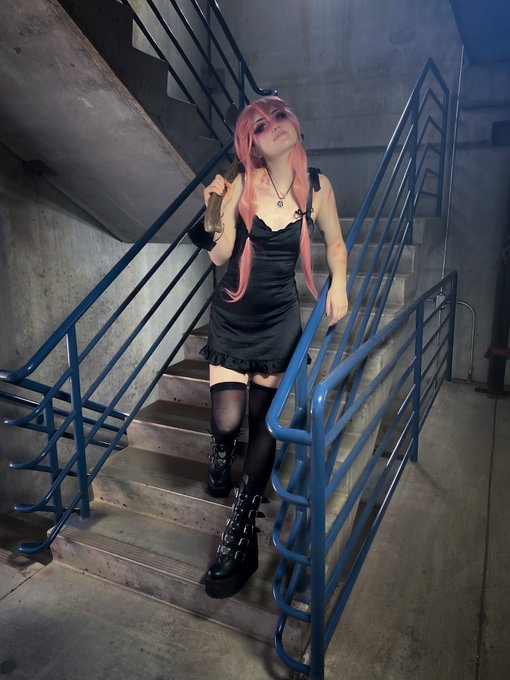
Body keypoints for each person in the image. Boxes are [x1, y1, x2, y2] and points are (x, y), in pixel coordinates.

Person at [190, 96, 348, 599]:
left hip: (279, 321)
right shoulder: (241, 181)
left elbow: (335, 242)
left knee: (264, 423)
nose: (274, 126)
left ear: (294, 123)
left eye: (279, 116)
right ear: (251, 142)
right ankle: (221, 450)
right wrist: (214, 210)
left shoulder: (317, 187)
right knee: (228, 421)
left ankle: (240, 529)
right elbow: (219, 254)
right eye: (260, 125)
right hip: (233, 316)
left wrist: (340, 283)